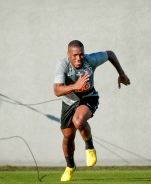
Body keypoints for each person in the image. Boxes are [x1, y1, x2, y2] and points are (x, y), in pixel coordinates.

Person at [54, 40, 130, 181]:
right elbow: (57, 90)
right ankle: (70, 166)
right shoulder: (62, 64)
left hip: (89, 97)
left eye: (81, 55)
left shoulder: (91, 60)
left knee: (79, 121)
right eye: (75, 55)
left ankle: (89, 148)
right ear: (68, 55)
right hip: (68, 102)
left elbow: (110, 54)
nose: (78, 58)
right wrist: (75, 86)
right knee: (68, 137)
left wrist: (121, 73)